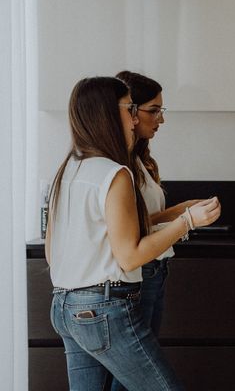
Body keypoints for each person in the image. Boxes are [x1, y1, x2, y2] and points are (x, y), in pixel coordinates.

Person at [46, 76, 221, 390]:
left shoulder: (68, 169)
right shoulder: (116, 174)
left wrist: (178, 212)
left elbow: (52, 250)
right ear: (109, 115)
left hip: (65, 306)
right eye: (130, 109)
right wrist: (188, 221)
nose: (135, 118)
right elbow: (129, 257)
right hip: (105, 308)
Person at [108, 70, 211, 390]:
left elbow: (143, 219)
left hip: (155, 269)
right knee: (133, 377)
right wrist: (186, 219)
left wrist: (179, 210)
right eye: (154, 110)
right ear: (131, 113)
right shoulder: (118, 167)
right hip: (140, 273)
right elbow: (129, 231)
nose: (161, 119)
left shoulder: (139, 161)